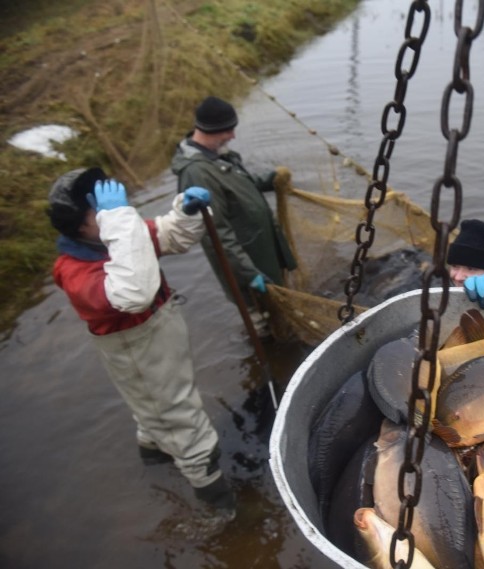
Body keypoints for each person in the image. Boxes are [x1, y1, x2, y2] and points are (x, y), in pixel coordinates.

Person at [48, 167, 236, 517]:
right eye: (99, 212)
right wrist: (118, 217)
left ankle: (153, 454)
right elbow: (133, 292)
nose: (109, 216)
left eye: (110, 207)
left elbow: (166, 236)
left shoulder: (114, 237)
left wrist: (185, 212)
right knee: (179, 416)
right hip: (136, 350)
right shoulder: (75, 271)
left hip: (158, 339)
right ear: (78, 227)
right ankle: (218, 503)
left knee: (153, 409)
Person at [170, 96, 297, 336]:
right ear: (212, 131)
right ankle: (268, 358)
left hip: (263, 254)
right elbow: (216, 233)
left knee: (279, 315)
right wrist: (249, 274)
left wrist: (269, 180)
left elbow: (240, 187)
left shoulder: (219, 156)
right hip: (248, 266)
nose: (233, 136)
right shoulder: (197, 173)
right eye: (229, 130)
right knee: (263, 323)